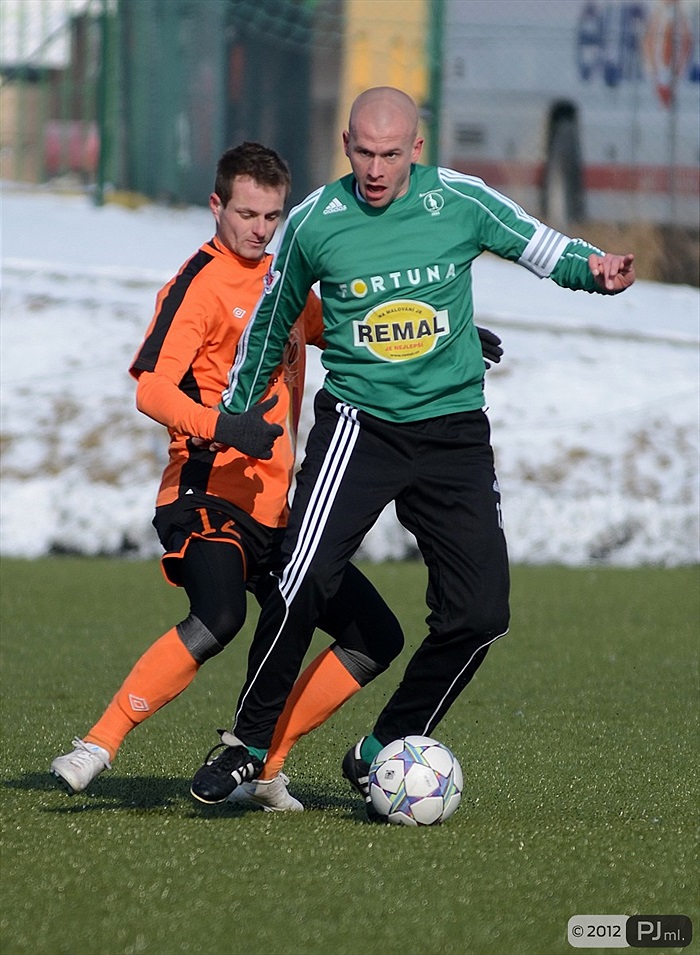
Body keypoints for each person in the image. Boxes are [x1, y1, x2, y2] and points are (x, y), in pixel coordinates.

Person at [189, 87, 635, 818]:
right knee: (301, 575)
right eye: (363, 151)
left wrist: (596, 269)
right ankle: (246, 739)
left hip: (455, 430)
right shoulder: (314, 223)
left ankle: (386, 744)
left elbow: (538, 243)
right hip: (361, 427)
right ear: (345, 144)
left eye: (390, 153)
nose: (375, 166)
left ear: (416, 150)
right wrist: (236, 415)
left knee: (482, 612)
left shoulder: (459, 199)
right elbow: (270, 322)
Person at [49, 138, 505, 811]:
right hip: (207, 495)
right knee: (220, 615)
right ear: (216, 206)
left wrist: (453, 339)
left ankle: (266, 767)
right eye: (246, 214)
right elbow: (151, 389)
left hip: (278, 511)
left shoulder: (284, 282)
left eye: (271, 217)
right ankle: (98, 743)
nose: (259, 230)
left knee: (375, 635)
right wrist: (222, 425)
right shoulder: (197, 285)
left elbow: (355, 326)